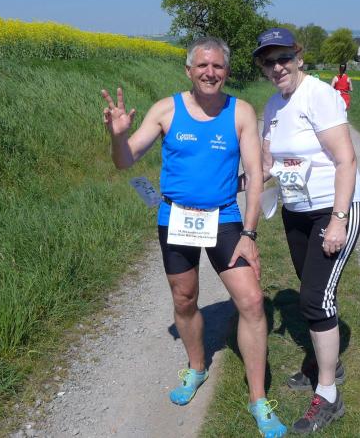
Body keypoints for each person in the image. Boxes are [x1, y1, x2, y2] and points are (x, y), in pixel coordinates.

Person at [100, 37, 287, 438]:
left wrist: (250, 233)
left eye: (218, 66)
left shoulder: (240, 112)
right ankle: (197, 367)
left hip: (225, 219)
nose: (210, 72)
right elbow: (124, 161)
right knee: (184, 298)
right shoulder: (166, 110)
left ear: (227, 71)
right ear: (188, 70)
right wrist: (117, 136)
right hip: (176, 219)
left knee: (253, 301)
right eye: (202, 65)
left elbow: (255, 175)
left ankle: (258, 398)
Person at [253, 28, 360, 434]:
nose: (277, 67)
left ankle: (329, 395)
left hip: (332, 208)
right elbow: (267, 165)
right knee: (312, 291)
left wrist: (338, 219)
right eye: (269, 61)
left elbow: (346, 160)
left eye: (284, 57)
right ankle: (325, 363)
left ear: (298, 57)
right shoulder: (273, 105)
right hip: (296, 210)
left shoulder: (320, 95)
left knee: (316, 299)